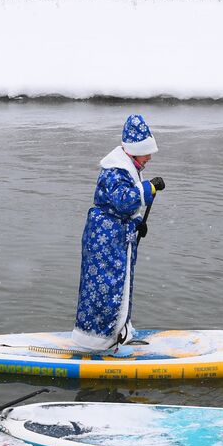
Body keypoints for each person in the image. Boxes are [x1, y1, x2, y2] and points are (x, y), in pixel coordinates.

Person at [71, 114, 166, 352]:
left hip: (114, 236)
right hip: (106, 239)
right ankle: (96, 340)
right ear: (135, 151)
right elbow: (123, 202)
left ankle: (117, 333)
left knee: (118, 285)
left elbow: (122, 209)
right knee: (106, 286)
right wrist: (148, 187)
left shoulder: (126, 167)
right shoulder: (115, 171)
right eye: (147, 153)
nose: (149, 158)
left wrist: (136, 224)